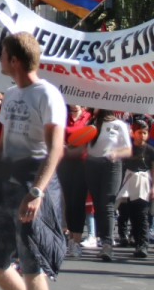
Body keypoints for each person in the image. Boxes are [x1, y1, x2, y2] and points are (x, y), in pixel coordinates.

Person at [0, 32, 66, 290]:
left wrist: (37, 192)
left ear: (14, 60)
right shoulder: (11, 94)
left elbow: (55, 148)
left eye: (2, 54)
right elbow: (4, 147)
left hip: (34, 187)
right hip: (6, 185)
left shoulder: (47, 95)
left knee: (32, 266)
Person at [84, 109, 131, 261]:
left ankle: (107, 244)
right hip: (92, 164)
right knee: (98, 204)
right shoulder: (91, 123)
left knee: (107, 204)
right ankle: (101, 238)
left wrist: (116, 153)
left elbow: (128, 149)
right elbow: (83, 143)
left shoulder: (119, 125)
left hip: (111, 165)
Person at [117, 116, 154, 258]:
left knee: (143, 214)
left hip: (143, 183)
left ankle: (143, 245)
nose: (142, 135)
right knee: (132, 214)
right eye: (139, 132)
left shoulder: (150, 151)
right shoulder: (128, 150)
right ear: (133, 133)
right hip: (129, 182)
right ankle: (136, 240)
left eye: (144, 133)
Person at [57, 104, 91, 257]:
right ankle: (70, 237)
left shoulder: (88, 118)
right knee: (68, 202)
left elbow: (89, 140)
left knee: (78, 201)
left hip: (82, 164)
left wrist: (72, 148)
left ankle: (77, 240)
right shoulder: (63, 116)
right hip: (64, 162)